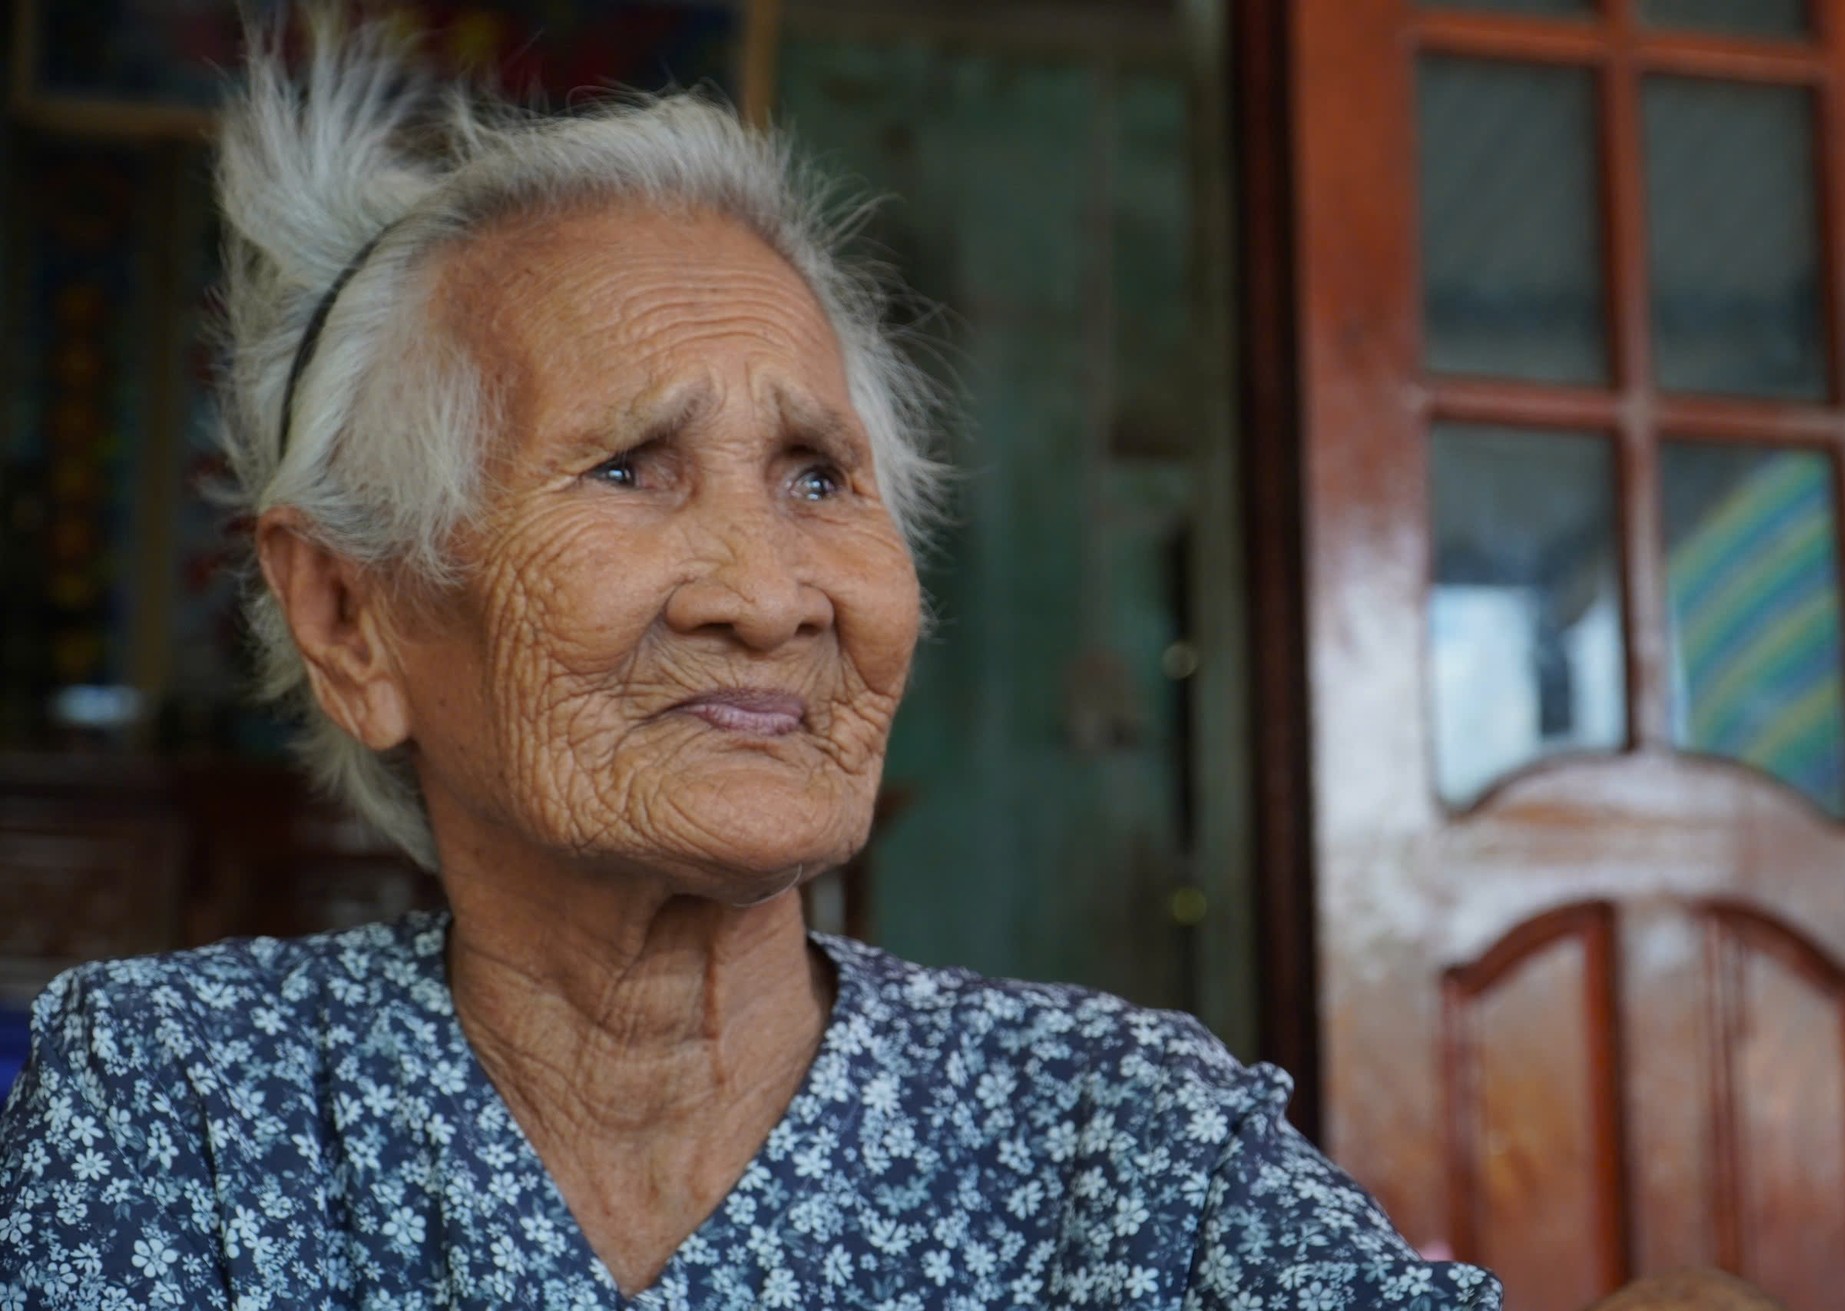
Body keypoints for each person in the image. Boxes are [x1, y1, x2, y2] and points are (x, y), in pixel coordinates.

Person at [0, 17, 1501, 1310]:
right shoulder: (179, 1102)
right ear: (348, 616)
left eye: (816, 479)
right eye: (628, 470)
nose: (769, 597)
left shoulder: (1121, 1139)